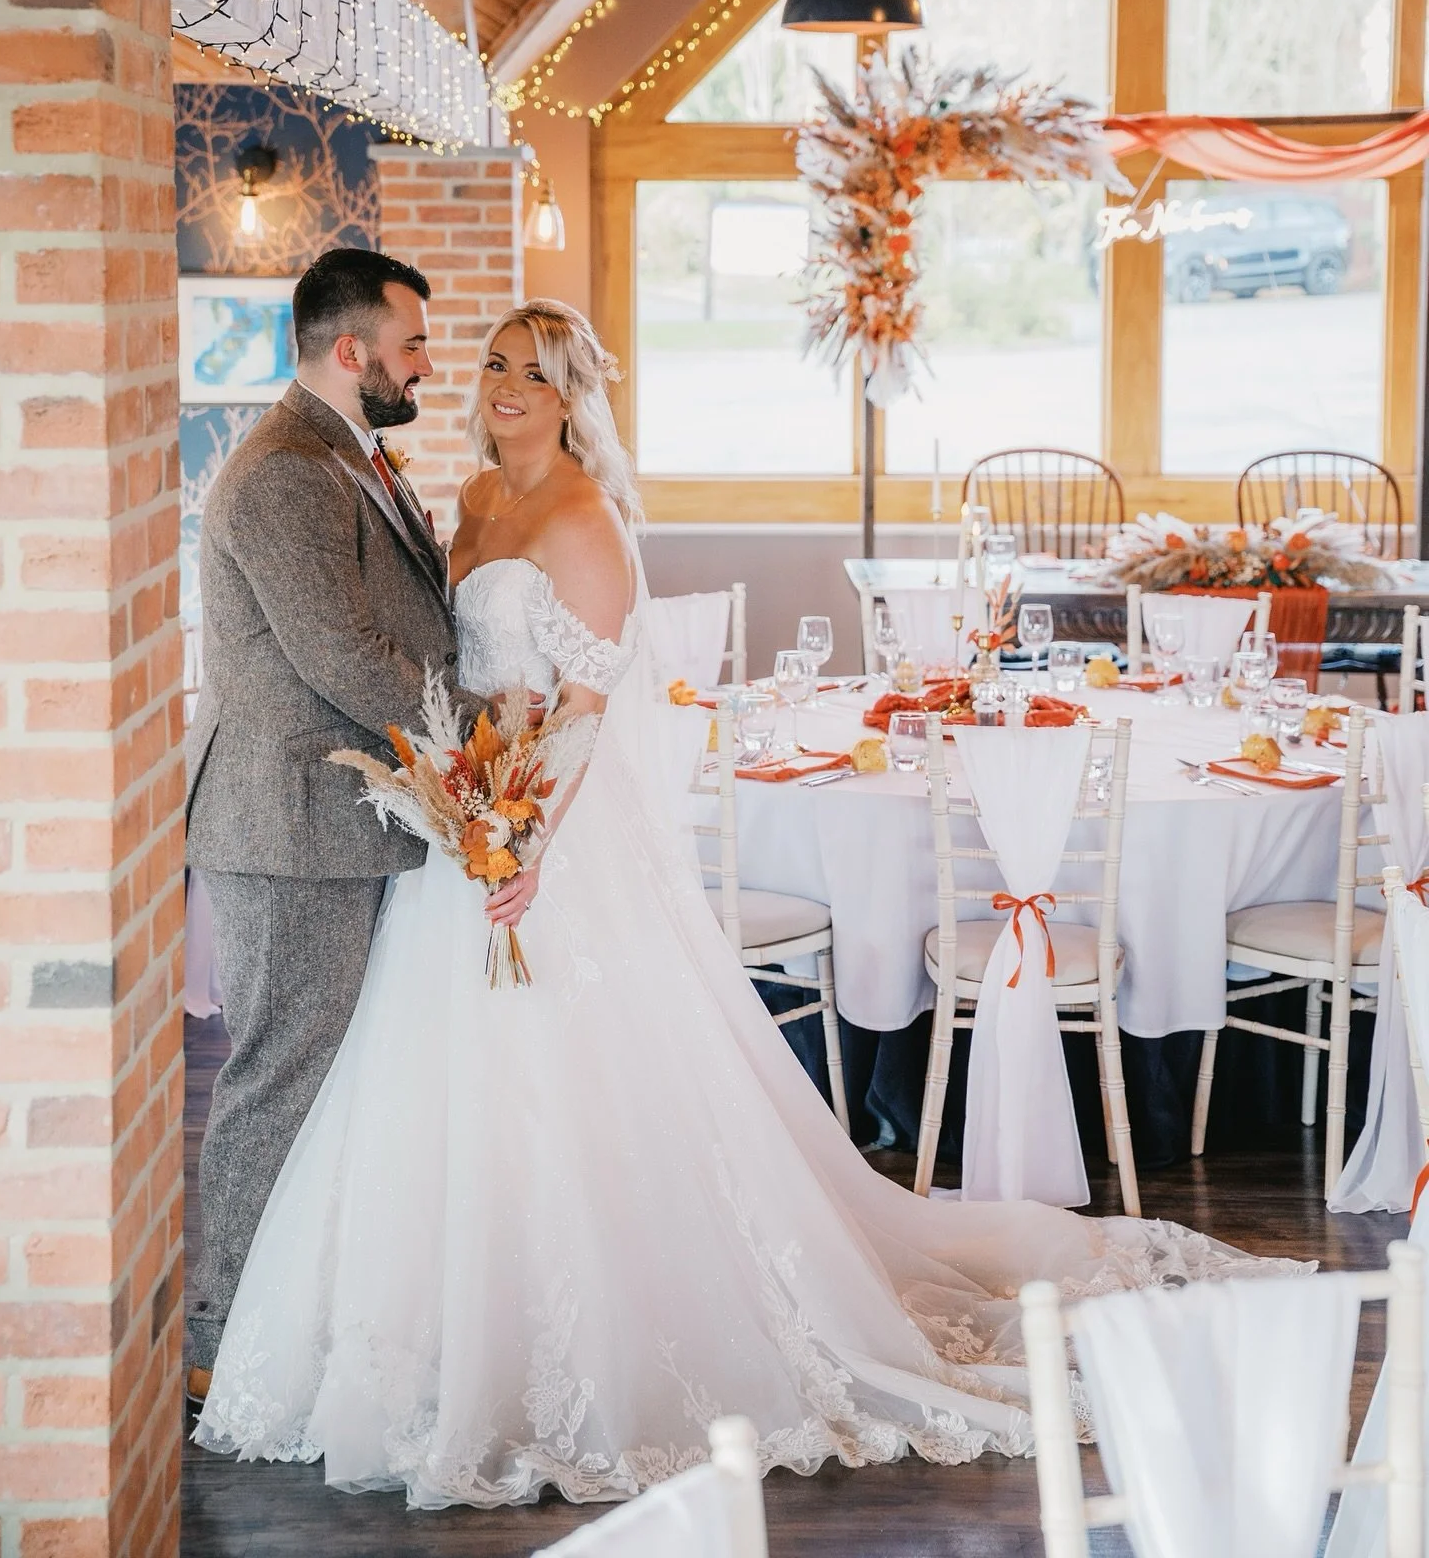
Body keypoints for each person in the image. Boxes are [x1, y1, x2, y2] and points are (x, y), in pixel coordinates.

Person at [194, 299, 1302, 1507]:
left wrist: (526, 846)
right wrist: (467, 812)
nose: (506, 386)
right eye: (496, 365)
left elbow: (585, 708)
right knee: (418, 1081)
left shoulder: (585, 519)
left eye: (536, 372)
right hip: (462, 831)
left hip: (538, 842)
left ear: (575, 395)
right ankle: (420, 1326)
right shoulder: (463, 501)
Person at [182, 248, 488, 1407]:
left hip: (343, 812)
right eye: (411, 345)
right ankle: (223, 1343)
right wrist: (475, 735)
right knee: (279, 1073)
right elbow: (342, 654)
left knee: (328, 1072)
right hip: (293, 820)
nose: (426, 364)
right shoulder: (285, 474)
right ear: (352, 351)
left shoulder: (346, 454)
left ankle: (298, 1315)